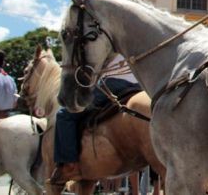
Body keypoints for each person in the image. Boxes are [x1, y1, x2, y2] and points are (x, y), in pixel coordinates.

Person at [49, 54, 140, 185]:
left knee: (64, 115)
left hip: (114, 82)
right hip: (139, 85)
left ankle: (69, 165)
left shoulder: (105, 40)